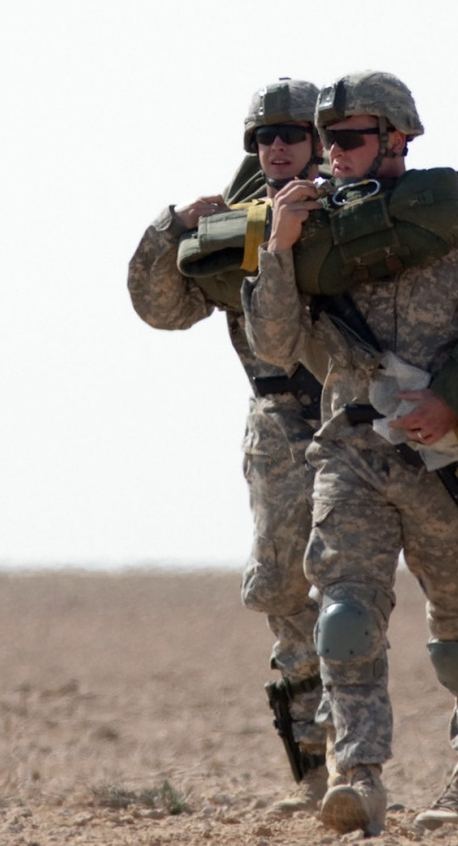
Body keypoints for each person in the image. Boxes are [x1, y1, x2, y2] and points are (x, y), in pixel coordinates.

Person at [242, 70, 458, 835]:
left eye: (351, 138)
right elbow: (274, 344)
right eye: (328, 139)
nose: (335, 153)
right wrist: (279, 250)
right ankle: (357, 776)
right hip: (351, 452)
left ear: (397, 139)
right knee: (344, 618)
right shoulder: (313, 236)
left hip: (448, 462)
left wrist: (453, 401)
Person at [126, 79, 330, 814]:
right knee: (282, 593)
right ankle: (317, 774)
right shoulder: (233, 227)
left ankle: (373, 769)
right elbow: (163, 309)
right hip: (278, 427)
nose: (276, 147)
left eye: (292, 134)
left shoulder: (357, 214)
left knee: (357, 595)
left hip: (357, 419)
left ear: (319, 141)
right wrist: (171, 228)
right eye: (263, 137)